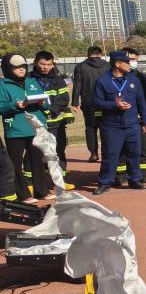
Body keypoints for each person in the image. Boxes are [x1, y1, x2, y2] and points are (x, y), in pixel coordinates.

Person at [92, 50, 146, 195]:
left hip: (132, 124)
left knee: (134, 153)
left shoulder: (133, 80)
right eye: (127, 62)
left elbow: (141, 101)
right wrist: (114, 105)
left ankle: (135, 179)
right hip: (112, 126)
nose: (131, 64)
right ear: (117, 64)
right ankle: (105, 182)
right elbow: (97, 102)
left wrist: (145, 120)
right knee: (110, 155)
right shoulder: (102, 81)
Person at [0, 54, 53, 202]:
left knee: (38, 161)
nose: (21, 69)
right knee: (15, 165)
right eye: (16, 67)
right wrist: (15, 105)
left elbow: (46, 103)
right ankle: (22, 194)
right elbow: (1, 107)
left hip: (35, 127)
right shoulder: (2, 85)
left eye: (23, 66)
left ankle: (41, 191)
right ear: (8, 68)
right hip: (15, 130)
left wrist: (43, 103)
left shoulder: (32, 81)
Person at [29, 51, 75, 190]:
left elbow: (64, 99)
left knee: (58, 151)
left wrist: (51, 110)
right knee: (36, 152)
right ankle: (33, 182)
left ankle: (61, 180)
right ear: (35, 63)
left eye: (49, 64)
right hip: (37, 123)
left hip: (56, 122)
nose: (45, 67)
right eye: (42, 64)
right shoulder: (29, 79)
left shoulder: (58, 80)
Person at [123, 48, 146, 182]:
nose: (132, 62)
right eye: (129, 59)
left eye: (134, 59)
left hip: (142, 118)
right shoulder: (118, 77)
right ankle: (125, 173)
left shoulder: (143, 77)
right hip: (126, 118)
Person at [72, 46, 108, 162]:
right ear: (100, 54)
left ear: (88, 54)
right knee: (106, 127)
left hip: (88, 102)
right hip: (106, 102)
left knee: (90, 128)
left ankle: (93, 153)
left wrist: (75, 102)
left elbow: (77, 84)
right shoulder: (108, 65)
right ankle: (106, 153)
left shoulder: (80, 66)